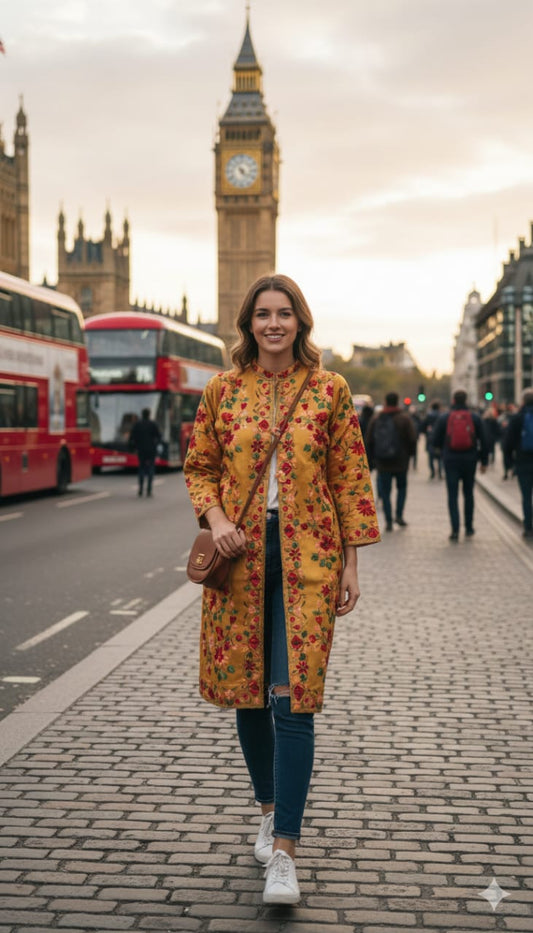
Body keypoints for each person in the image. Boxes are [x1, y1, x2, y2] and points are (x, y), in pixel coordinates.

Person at [184, 274, 380, 905]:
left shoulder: (329, 389)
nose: (273, 324)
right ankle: (268, 809)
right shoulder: (221, 390)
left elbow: (349, 477)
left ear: (301, 322)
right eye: (263, 314)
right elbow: (200, 466)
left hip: (310, 558)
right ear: (248, 324)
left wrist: (352, 561)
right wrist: (216, 523)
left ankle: (286, 854)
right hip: (239, 557)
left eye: (284, 314)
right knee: (249, 694)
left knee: (292, 698)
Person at [431, 389, 488, 540]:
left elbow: (435, 440)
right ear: (466, 400)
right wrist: (484, 461)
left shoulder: (445, 417)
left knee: (452, 495)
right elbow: (484, 439)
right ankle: (469, 527)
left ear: (454, 401)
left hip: (451, 460)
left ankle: (455, 529)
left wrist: (441, 451)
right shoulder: (475, 417)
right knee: (468, 494)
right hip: (470, 459)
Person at [365, 391, 417, 531]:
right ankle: (399, 515)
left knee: (385, 492)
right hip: (401, 461)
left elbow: (369, 440)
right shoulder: (404, 419)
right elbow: (412, 439)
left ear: (385, 402)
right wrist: (410, 456)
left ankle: (388, 520)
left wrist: (371, 461)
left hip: (383, 462)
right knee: (401, 488)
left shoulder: (377, 419)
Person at [502, 388, 533, 538]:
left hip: (523, 462)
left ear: (523, 401)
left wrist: (509, 463)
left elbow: (507, 443)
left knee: (526, 497)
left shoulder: (517, 418)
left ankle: (528, 528)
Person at [129, 407, 161, 497]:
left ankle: (140, 490)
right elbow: (159, 436)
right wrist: (155, 445)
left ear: (142, 414)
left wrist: (134, 447)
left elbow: (132, 437)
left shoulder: (137, 424)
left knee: (141, 468)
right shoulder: (153, 424)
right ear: (149, 414)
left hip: (141, 449)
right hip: (151, 450)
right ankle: (149, 490)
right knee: (151, 469)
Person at [420, 400, 443, 479]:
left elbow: (422, 426)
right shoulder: (441, 415)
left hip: (430, 437)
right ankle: (440, 472)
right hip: (440, 438)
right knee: (440, 457)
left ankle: (432, 472)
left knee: (431, 457)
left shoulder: (428, 416)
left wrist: (426, 432)